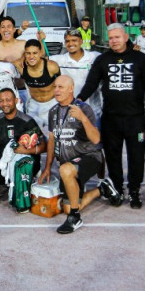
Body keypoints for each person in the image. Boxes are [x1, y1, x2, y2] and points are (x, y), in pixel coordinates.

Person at [78, 23, 145, 209]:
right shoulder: (103, 60)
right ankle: (116, 188)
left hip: (135, 118)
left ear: (125, 37)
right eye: (111, 37)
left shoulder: (140, 58)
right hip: (111, 118)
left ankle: (134, 191)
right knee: (113, 156)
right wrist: (79, 100)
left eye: (117, 37)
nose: (114, 41)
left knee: (136, 156)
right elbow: (91, 83)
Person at [40, 76, 117, 234]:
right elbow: (52, 140)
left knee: (66, 170)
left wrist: (83, 118)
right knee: (67, 207)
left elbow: (96, 139)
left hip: (90, 157)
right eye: (55, 87)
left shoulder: (84, 108)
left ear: (71, 88)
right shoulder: (53, 111)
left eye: (61, 87)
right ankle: (101, 189)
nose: (56, 90)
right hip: (69, 164)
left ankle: (75, 218)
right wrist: (47, 167)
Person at [0, 89, 44, 204]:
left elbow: (43, 146)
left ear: (15, 101)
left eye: (8, 100)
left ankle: (23, 180)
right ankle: (9, 181)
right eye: (1, 101)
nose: (5, 104)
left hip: (24, 163)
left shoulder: (27, 121)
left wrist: (26, 150)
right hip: (4, 163)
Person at [12, 39, 60, 136]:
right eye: (28, 53)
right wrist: (22, 58)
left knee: (54, 138)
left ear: (40, 53)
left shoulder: (51, 66)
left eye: (35, 53)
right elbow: (1, 65)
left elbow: (62, 83)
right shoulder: (20, 65)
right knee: (33, 137)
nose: (31, 56)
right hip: (34, 106)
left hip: (52, 105)